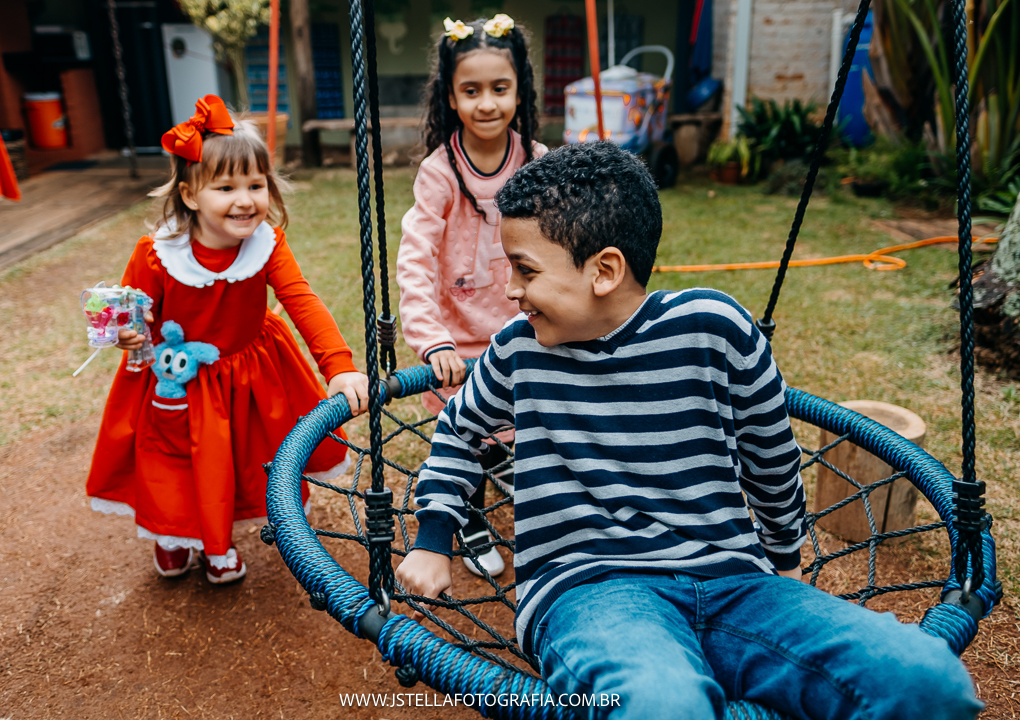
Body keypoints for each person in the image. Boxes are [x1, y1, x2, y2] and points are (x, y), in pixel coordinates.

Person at [396, 142, 982, 719]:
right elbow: (459, 430)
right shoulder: (519, 351)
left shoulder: (714, 330)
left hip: (735, 583)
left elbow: (770, 455)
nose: (511, 290)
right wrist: (434, 537)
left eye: (525, 270)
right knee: (663, 704)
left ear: (604, 270)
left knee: (926, 683)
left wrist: (784, 558)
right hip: (594, 590)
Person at [87, 95, 368, 585]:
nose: (245, 199)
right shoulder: (158, 254)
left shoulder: (267, 244)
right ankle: (172, 535)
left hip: (250, 370)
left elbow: (300, 299)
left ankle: (218, 543)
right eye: (225, 187)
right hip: (177, 377)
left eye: (255, 184)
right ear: (191, 194)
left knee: (236, 460)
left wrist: (338, 365)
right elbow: (134, 314)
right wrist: (126, 335)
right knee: (172, 462)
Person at [396, 14, 545, 578]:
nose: (487, 103)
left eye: (499, 89)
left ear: (519, 90)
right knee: (468, 436)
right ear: (451, 98)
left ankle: (514, 474)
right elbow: (414, 257)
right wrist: (432, 339)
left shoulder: (536, 159)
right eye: (471, 90)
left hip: (523, 329)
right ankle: (471, 516)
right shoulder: (440, 173)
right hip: (458, 339)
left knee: (528, 422)